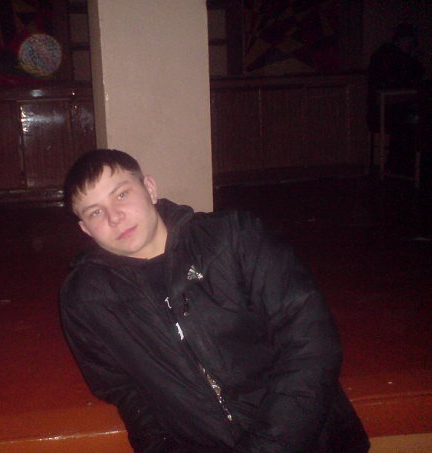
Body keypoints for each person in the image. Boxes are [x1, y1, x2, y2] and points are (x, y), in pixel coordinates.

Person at [60, 149, 370, 452]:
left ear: (150, 189)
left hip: (311, 438)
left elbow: (311, 342)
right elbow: (125, 391)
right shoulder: (87, 300)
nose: (115, 217)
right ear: (85, 229)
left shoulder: (233, 237)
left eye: (121, 194)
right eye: (95, 212)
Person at [367, 23, 426, 176]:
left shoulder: (402, 56)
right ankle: (401, 164)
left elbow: (418, 74)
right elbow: (401, 79)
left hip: (395, 109)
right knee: (406, 123)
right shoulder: (387, 56)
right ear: (398, 40)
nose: (409, 44)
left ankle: (408, 163)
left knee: (417, 121)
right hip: (384, 111)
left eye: (411, 41)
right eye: (407, 40)